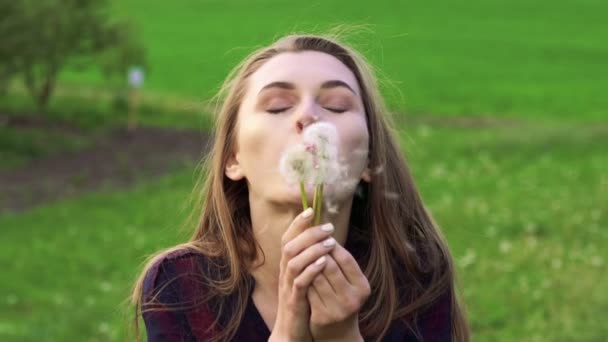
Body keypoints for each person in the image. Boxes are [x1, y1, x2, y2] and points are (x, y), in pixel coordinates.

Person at [130, 32, 470, 342]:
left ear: (368, 159)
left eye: (336, 105)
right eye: (278, 106)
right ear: (232, 158)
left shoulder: (413, 273)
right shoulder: (181, 285)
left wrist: (341, 337)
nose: (309, 116)